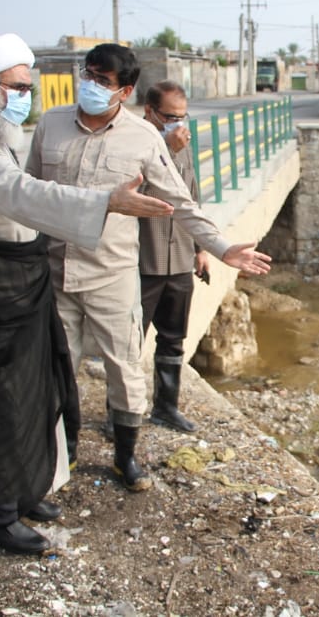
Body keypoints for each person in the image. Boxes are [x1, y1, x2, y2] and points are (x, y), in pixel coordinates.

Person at [0, 34, 175, 555]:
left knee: (35, 390)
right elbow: (24, 193)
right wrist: (106, 202)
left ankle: (24, 489)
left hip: (17, 286)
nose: (27, 96)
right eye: (18, 87)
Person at [25, 45, 271, 491]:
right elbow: (28, 194)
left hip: (112, 275)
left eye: (104, 81)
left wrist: (220, 247)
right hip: (56, 271)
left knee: (125, 369)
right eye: (89, 74)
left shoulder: (141, 138)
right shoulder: (51, 124)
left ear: (126, 90)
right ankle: (67, 451)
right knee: (57, 370)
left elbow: (180, 202)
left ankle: (125, 457)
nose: (92, 86)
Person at [140, 80, 208, 433]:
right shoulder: (133, 144)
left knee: (173, 339)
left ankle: (166, 408)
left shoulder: (182, 145)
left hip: (179, 257)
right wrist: (164, 147)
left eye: (183, 117)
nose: (178, 124)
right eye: (170, 116)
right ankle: (120, 413)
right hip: (143, 261)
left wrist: (200, 249)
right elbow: (129, 192)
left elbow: (191, 197)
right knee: (127, 342)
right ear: (150, 112)